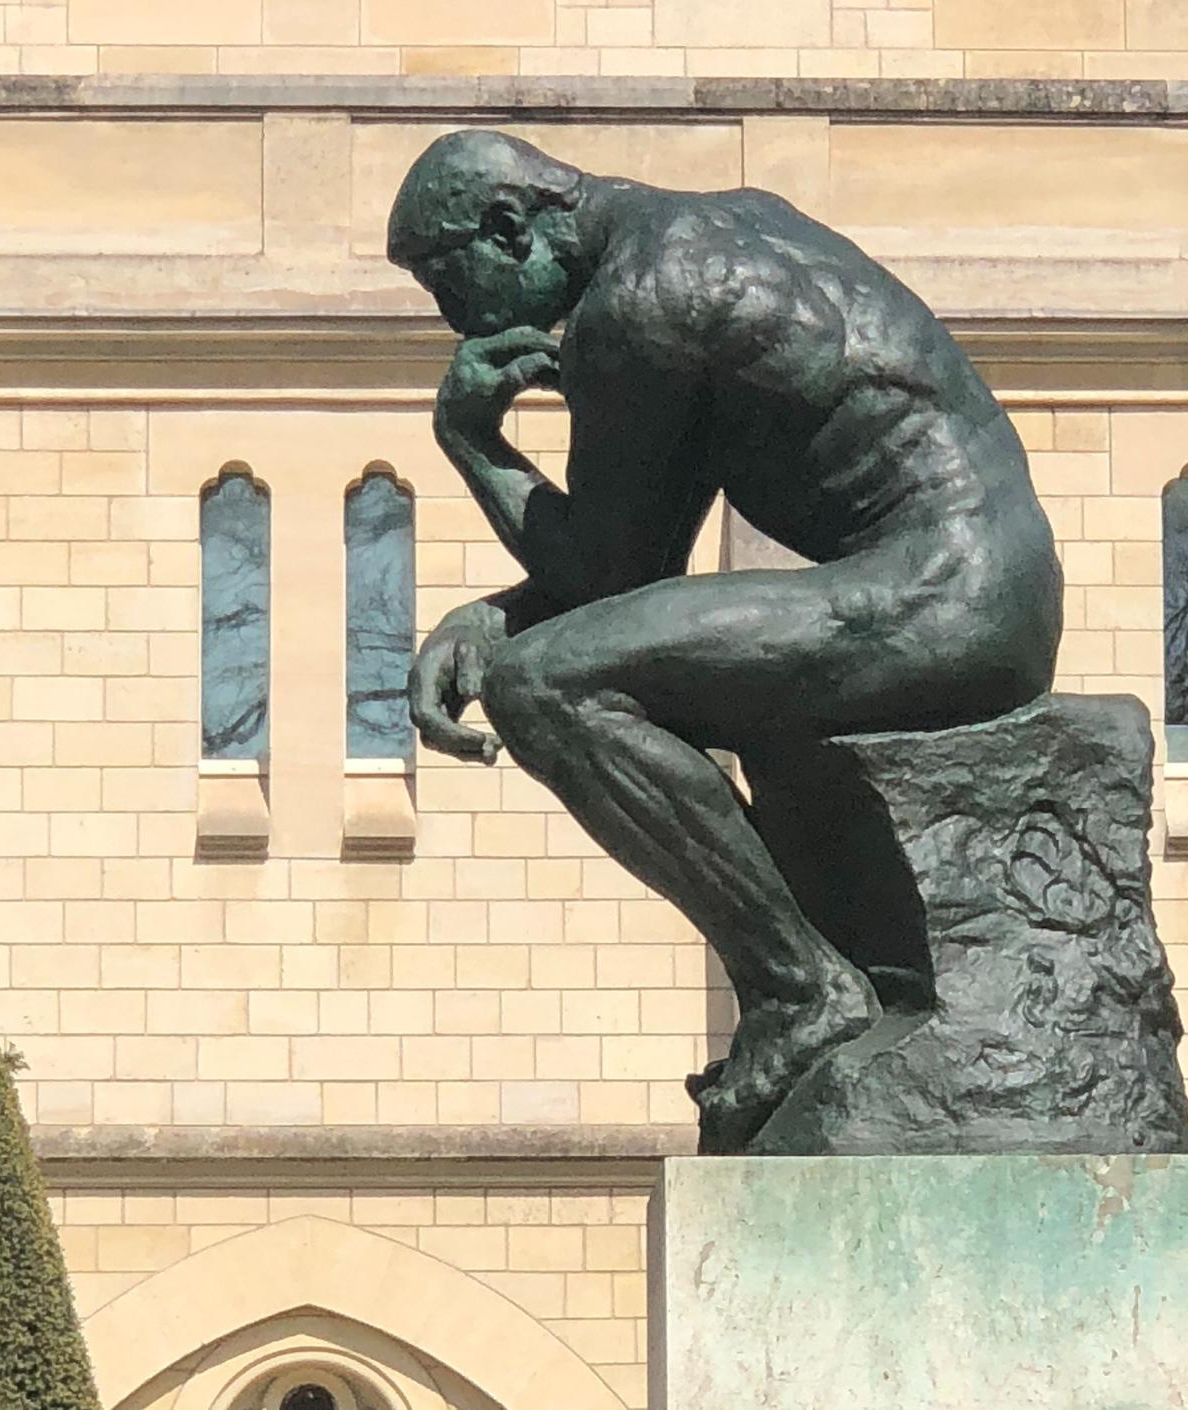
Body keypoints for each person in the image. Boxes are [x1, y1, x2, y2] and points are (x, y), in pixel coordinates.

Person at [387, 130, 1063, 1146]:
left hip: (940, 592)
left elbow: (611, 578)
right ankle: (809, 977)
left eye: (449, 281)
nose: (456, 320)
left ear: (508, 227)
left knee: (543, 690)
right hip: (991, 583)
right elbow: (630, 567)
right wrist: (499, 612)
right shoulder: (719, 228)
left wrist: (470, 439)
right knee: (558, 666)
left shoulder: (636, 303)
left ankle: (800, 989)